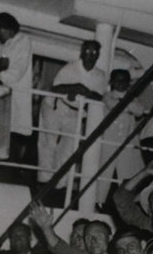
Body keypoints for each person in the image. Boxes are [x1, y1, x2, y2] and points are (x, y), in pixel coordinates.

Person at [37, 40, 108, 187]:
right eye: (88, 51)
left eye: (94, 52)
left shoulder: (100, 75)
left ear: (98, 55)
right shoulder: (70, 68)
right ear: (82, 52)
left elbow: (100, 97)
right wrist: (75, 87)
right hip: (56, 107)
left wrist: (86, 92)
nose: (90, 55)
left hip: (77, 113)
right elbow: (56, 88)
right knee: (48, 142)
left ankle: (59, 184)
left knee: (69, 147)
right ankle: (44, 180)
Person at [0, 12, 34, 166]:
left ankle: (10, 170)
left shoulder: (23, 41)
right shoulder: (6, 45)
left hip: (16, 97)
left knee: (15, 135)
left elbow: (16, 72)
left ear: (6, 28)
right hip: (5, 97)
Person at [98, 68, 147, 205]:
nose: (121, 83)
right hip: (109, 143)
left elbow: (139, 111)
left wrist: (126, 102)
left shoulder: (133, 98)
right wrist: (127, 104)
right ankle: (99, 202)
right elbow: (114, 106)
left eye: (124, 81)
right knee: (104, 175)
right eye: (118, 80)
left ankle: (126, 203)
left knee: (126, 175)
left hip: (127, 145)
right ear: (112, 82)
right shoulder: (107, 96)